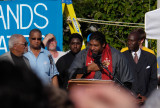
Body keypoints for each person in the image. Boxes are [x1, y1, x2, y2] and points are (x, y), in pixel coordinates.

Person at [68, 31, 133, 90]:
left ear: (103, 44)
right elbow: (71, 75)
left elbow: (127, 81)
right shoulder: (83, 54)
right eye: (90, 45)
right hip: (87, 95)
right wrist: (88, 69)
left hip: (110, 95)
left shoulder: (116, 55)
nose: (92, 48)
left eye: (96, 45)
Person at [0, 61, 74, 108]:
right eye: (34, 39)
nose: (36, 41)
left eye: (38, 39)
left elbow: (53, 76)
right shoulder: (25, 56)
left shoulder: (47, 55)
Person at [122, 30, 158, 105]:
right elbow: (118, 79)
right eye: (128, 40)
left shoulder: (150, 57)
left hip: (145, 102)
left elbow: (153, 80)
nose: (129, 43)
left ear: (139, 42)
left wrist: (147, 97)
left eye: (132, 41)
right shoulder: (122, 56)